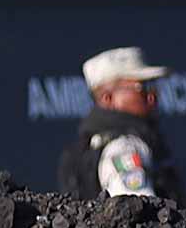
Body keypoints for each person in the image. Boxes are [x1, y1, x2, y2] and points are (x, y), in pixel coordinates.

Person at [58, 47, 179, 200]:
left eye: (153, 87)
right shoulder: (123, 149)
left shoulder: (91, 142)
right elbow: (139, 214)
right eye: (142, 88)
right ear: (107, 98)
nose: (152, 96)